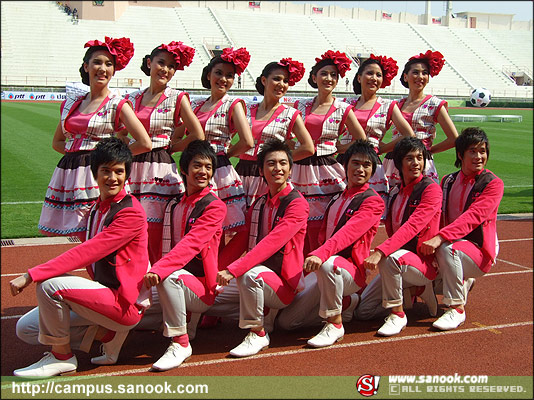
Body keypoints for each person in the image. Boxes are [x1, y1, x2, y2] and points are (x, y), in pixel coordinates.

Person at [11, 137, 150, 377]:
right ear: (95, 173)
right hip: (103, 294)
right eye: (105, 171)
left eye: (119, 171)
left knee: (50, 285)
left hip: (124, 303)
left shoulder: (130, 213)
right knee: (26, 329)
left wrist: (31, 274)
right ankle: (106, 335)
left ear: (127, 175)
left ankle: (62, 357)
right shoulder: (98, 207)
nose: (112, 178)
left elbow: (87, 252)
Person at [38, 37, 152, 242]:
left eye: (109, 64)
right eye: (97, 62)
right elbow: (57, 142)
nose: (103, 68)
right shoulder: (71, 103)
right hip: (69, 174)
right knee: (78, 236)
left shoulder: (118, 104)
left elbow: (144, 142)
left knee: (97, 232)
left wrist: (109, 159)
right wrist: (76, 159)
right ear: (86, 66)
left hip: (98, 174)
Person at [277, 140, 384, 347]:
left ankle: (334, 324)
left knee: (329, 264)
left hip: (351, 271)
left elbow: (347, 233)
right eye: (355, 163)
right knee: (287, 323)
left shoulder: (372, 201)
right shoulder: (337, 198)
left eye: (367, 165)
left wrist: (321, 254)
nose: (360, 169)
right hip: (326, 268)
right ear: (345, 165)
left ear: (372, 170)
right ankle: (346, 303)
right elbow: (322, 237)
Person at [216, 139, 309, 357]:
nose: (278, 168)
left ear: (290, 169)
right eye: (271, 163)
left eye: (283, 163)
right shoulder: (259, 203)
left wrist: (233, 270)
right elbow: (241, 241)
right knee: (209, 293)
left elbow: (272, 242)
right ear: (261, 170)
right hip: (257, 276)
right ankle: (184, 334)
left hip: (283, 284)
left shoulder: (297, 204)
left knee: (249, 275)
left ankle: (257, 333)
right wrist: (213, 274)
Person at [141, 140, 226, 371]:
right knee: (135, 309)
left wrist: (159, 270)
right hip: (175, 282)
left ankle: (181, 343)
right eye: (197, 165)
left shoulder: (215, 206)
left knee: (169, 276)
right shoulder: (173, 204)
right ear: (184, 170)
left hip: (200, 288)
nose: (203, 172)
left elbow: (191, 244)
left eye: (208, 167)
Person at [120, 41, 204, 265]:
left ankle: (155, 278)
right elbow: (119, 130)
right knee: (128, 224)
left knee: (155, 228)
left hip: (159, 165)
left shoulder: (178, 97)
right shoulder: (132, 98)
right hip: (132, 164)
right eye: (160, 63)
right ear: (149, 63)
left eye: (170, 66)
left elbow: (197, 133)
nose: (165, 70)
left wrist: (170, 147)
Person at [420, 128, 503, 331]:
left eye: (482, 151)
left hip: (479, 249)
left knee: (448, 248)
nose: (479, 156)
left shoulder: (492, 184)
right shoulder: (447, 181)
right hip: (450, 244)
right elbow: (439, 216)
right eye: (473, 151)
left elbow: (473, 217)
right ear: (460, 154)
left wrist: (440, 238)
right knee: (423, 271)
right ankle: (463, 282)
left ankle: (456, 308)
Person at [360, 137, 442, 336]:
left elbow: (412, 227)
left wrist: (380, 252)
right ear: (399, 163)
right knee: (364, 311)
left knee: (389, 260)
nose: (416, 163)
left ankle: (398, 314)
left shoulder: (431, 189)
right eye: (409, 158)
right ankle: (417, 291)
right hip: (401, 261)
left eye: (419, 158)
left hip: (424, 262)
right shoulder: (396, 192)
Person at [291, 50, 366, 254]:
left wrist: (336, 148)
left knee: (324, 220)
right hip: (298, 168)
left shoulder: (343, 108)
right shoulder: (300, 104)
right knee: (296, 220)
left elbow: (361, 139)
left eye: (334, 75)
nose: (329, 78)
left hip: (326, 169)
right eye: (324, 73)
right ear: (314, 77)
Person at [187, 47, 254, 233]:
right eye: (219, 73)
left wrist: (225, 153)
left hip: (218, 169)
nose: (223, 79)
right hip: (198, 165)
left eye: (229, 75)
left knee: (221, 226)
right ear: (208, 75)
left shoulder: (233, 104)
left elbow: (247, 141)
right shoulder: (197, 104)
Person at [236, 58, 314, 207]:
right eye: (277, 79)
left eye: (286, 81)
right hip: (241, 171)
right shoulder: (246, 109)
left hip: (268, 175)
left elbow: (308, 148)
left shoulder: (291, 114)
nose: (282, 84)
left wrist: (279, 161)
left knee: (264, 216)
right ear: (264, 80)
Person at [339, 54, 414, 204]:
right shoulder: (346, 103)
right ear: (359, 78)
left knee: (369, 207)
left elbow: (408, 134)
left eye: (378, 75)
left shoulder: (388, 105)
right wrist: (338, 147)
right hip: (343, 162)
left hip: (370, 164)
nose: (374, 78)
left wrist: (384, 148)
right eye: (369, 73)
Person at [384, 50, 459, 187]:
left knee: (422, 197)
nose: (420, 76)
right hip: (394, 161)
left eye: (425, 73)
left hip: (419, 161)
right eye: (415, 72)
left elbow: (453, 138)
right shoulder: (397, 105)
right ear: (405, 77)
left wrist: (428, 150)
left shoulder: (435, 104)